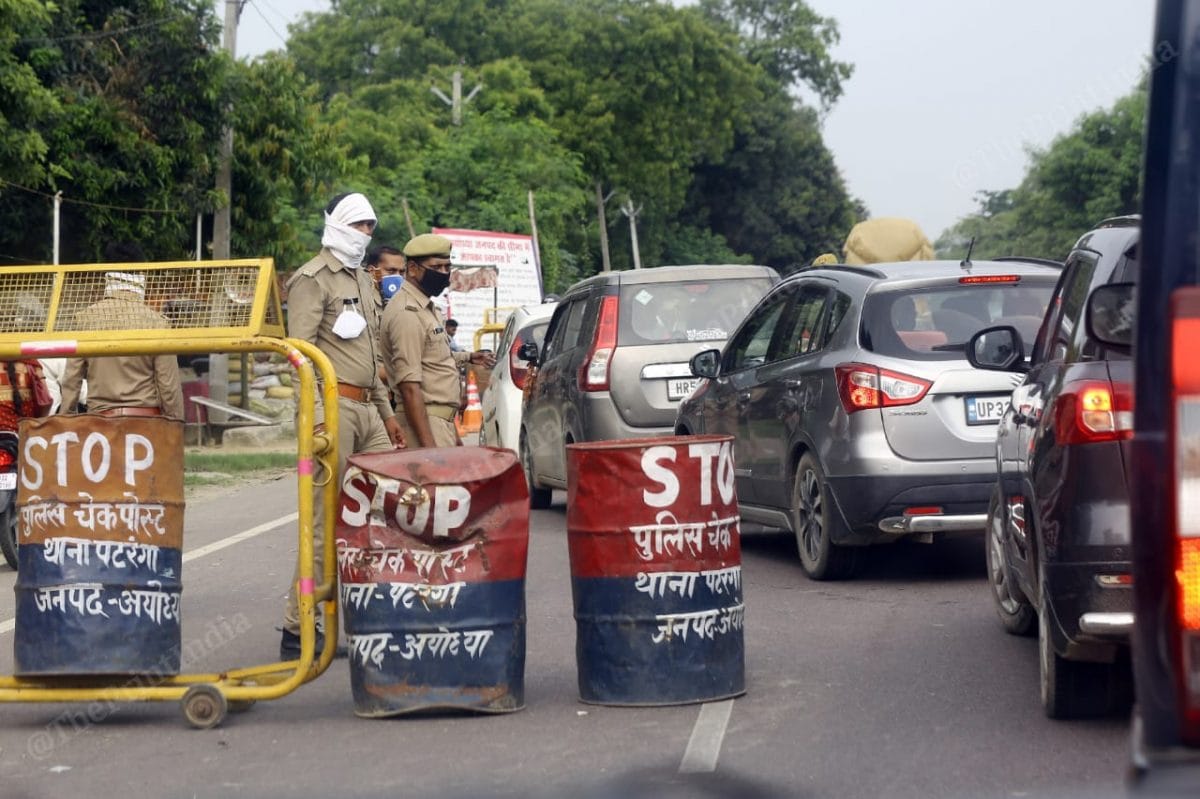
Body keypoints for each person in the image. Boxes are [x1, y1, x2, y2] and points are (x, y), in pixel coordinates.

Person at [279, 192, 406, 660]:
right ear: (336, 225)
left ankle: (350, 623)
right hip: (330, 409)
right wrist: (313, 418)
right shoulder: (312, 280)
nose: (366, 235)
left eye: (371, 227)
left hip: (369, 410)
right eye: (359, 225)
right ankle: (298, 629)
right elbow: (300, 355)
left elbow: (370, 359)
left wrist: (389, 416)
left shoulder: (363, 280)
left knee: (372, 522)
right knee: (321, 523)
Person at [380, 233, 496, 448]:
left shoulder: (426, 308)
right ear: (413, 269)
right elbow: (409, 387)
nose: (444, 273)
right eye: (437, 267)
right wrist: (430, 449)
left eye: (447, 267)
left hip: (440, 421)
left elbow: (432, 357)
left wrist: (469, 356)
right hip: (425, 422)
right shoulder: (407, 312)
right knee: (434, 481)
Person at [59, 243, 185, 420]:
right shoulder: (157, 323)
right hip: (145, 425)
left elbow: (71, 380)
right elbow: (168, 386)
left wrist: (66, 419)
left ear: (107, 274)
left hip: (100, 425)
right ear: (141, 274)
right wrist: (175, 423)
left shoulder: (85, 320)